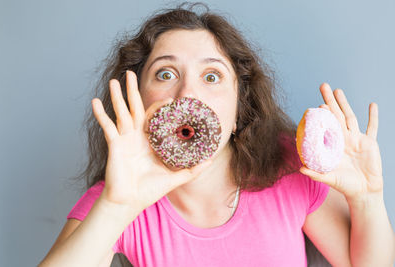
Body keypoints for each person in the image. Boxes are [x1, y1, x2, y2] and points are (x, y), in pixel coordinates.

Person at [39, 2, 395, 266]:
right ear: (138, 100)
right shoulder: (118, 197)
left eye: (211, 76)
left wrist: (368, 199)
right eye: (165, 74)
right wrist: (117, 208)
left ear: (239, 109)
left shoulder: (287, 166)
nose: (188, 93)